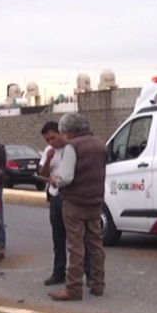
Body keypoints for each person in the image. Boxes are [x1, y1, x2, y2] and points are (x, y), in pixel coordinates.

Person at [47, 113, 107, 301]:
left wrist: (55, 181)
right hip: (95, 201)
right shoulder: (100, 144)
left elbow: (66, 177)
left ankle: (73, 288)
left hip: (74, 203)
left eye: (63, 132)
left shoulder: (73, 147)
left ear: (69, 131)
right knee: (96, 245)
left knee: (76, 246)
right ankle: (98, 284)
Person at [39, 121, 92, 286]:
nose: (51, 142)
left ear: (60, 133)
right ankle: (59, 271)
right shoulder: (49, 151)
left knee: (79, 238)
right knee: (58, 237)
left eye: (53, 138)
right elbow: (42, 174)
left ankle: (88, 273)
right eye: (47, 140)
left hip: (72, 197)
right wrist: (48, 160)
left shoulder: (72, 148)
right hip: (56, 197)